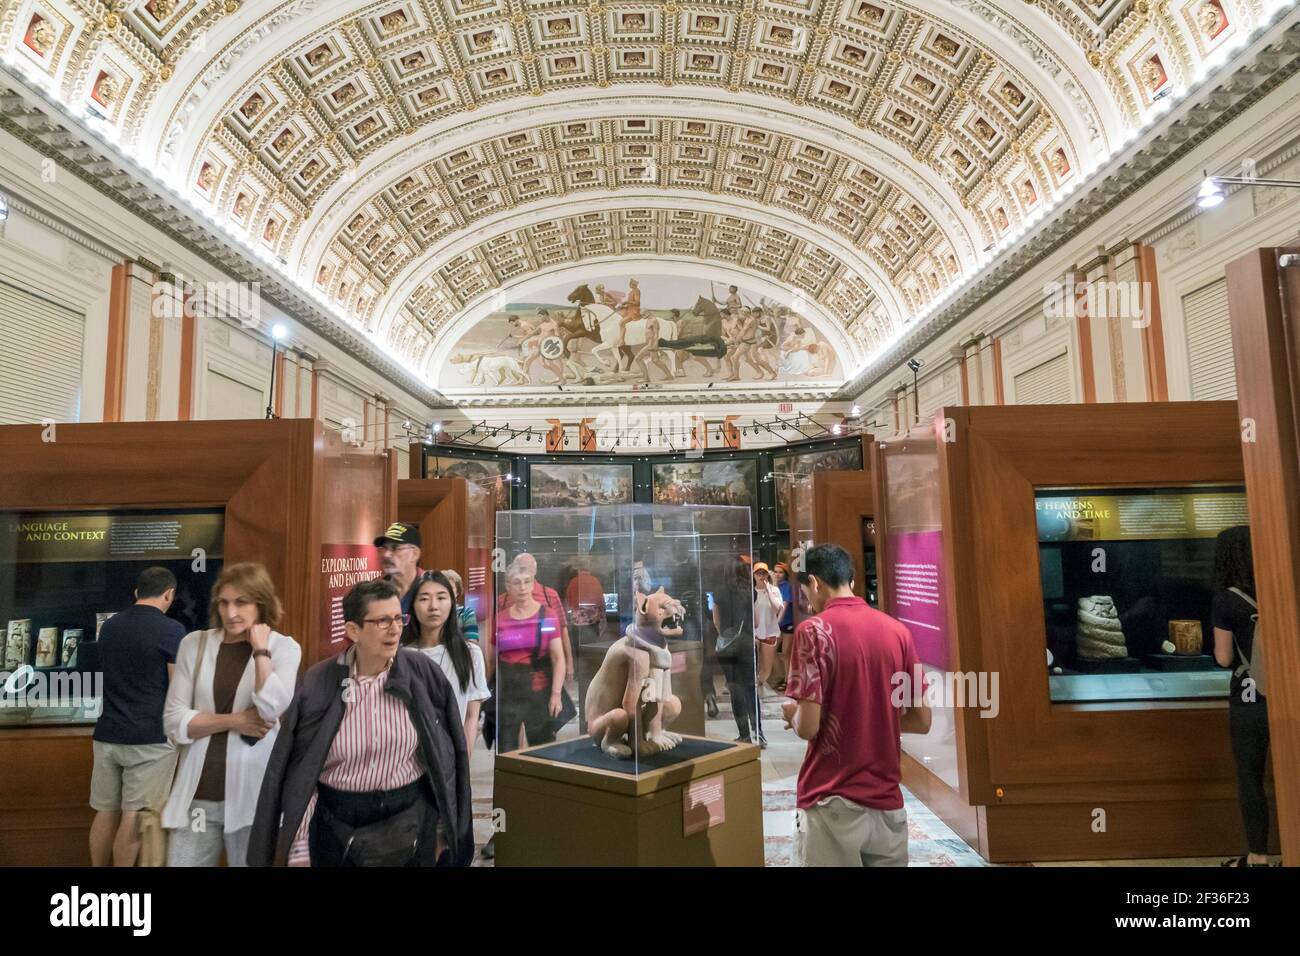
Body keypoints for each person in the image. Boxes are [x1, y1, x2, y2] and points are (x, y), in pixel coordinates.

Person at [248, 580, 473, 867]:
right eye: (381, 621)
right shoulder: (321, 682)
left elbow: (444, 754)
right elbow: (302, 770)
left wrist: (445, 828)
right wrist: (300, 844)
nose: (394, 629)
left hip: (411, 821)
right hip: (339, 827)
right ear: (353, 630)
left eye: (397, 618)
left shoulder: (421, 673)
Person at [783, 544, 931, 867]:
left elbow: (808, 726)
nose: (807, 599)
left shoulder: (813, 632)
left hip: (830, 799)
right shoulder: (898, 632)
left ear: (816, 582)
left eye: (805, 589)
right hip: (888, 802)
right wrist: (873, 715)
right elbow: (921, 720)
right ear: (850, 578)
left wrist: (791, 713)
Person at [162, 562, 301, 867]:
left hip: (252, 797)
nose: (230, 612)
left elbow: (270, 709)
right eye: (224, 602)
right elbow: (173, 721)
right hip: (197, 795)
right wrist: (236, 721)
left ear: (261, 603)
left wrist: (261, 650)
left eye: (241, 602)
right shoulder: (194, 644)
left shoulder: (284, 649)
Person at [89, 567, 186, 867]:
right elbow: (177, 689)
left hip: (107, 735)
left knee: (105, 812)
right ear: (169, 593)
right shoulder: (172, 631)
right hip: (150, 740)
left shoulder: (111, 626)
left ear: (136, 593)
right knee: (134, 817)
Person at [1212, 525, 1276, 867]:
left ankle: (1258, 857)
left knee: (1251, 779)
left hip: (1249, 699)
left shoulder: (1227, 600)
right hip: (1287, 698)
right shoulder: (1282, 590)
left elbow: (1224, 657)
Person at [404, 572, 490, 758]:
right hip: (406, 760)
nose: (434, 606)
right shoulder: (402, 655)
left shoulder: (469, 654)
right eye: (424, 598)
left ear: (452, 603)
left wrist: (463, 762)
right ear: (413, 606)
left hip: (449, 755)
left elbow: (470, 716)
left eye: (441, 597)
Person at [713, 556, 760, 746]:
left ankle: (744, 735)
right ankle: (759, 733)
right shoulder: (751, 592)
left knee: (734, 687)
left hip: (728, 645)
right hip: (748, 643)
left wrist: (726, 635)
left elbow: (716, 622)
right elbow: (756, 622)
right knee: (750, 686)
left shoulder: (719, 593)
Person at [375, 521, 425, 621]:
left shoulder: (433, 588)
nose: (386, 554)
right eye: (384, 548)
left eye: (395, 548)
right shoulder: (374, 590)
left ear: (415, 554)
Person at [752, 562, 784, 699]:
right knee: (753, 665)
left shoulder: (774, 590)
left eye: (763, 573)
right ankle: (753, 691)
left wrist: (769, 589)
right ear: (753, 575)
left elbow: (778, 608)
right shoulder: (750, 591)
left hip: (769, 632)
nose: (761, 575)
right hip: (753, 633)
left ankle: (758, 684)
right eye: (758, 573)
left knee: (767, 668)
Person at [440, 568, 480, 643]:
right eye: (443, 587)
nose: (446, 590)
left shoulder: (466, 613)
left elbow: (472, 643)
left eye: (451, 587)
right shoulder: (434, 612)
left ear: (457, 592)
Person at [773, 561, 794, 693]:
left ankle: (788, 681)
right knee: (772, 650)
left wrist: (776, 623)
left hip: (787, 622)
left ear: (785, 574)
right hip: (777, 624)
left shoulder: (787, 586)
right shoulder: (773, 586)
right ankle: (781, 677)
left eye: (780, 572)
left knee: (786, 653)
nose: (778, 574)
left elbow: (784, 606)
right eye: (775, 572)